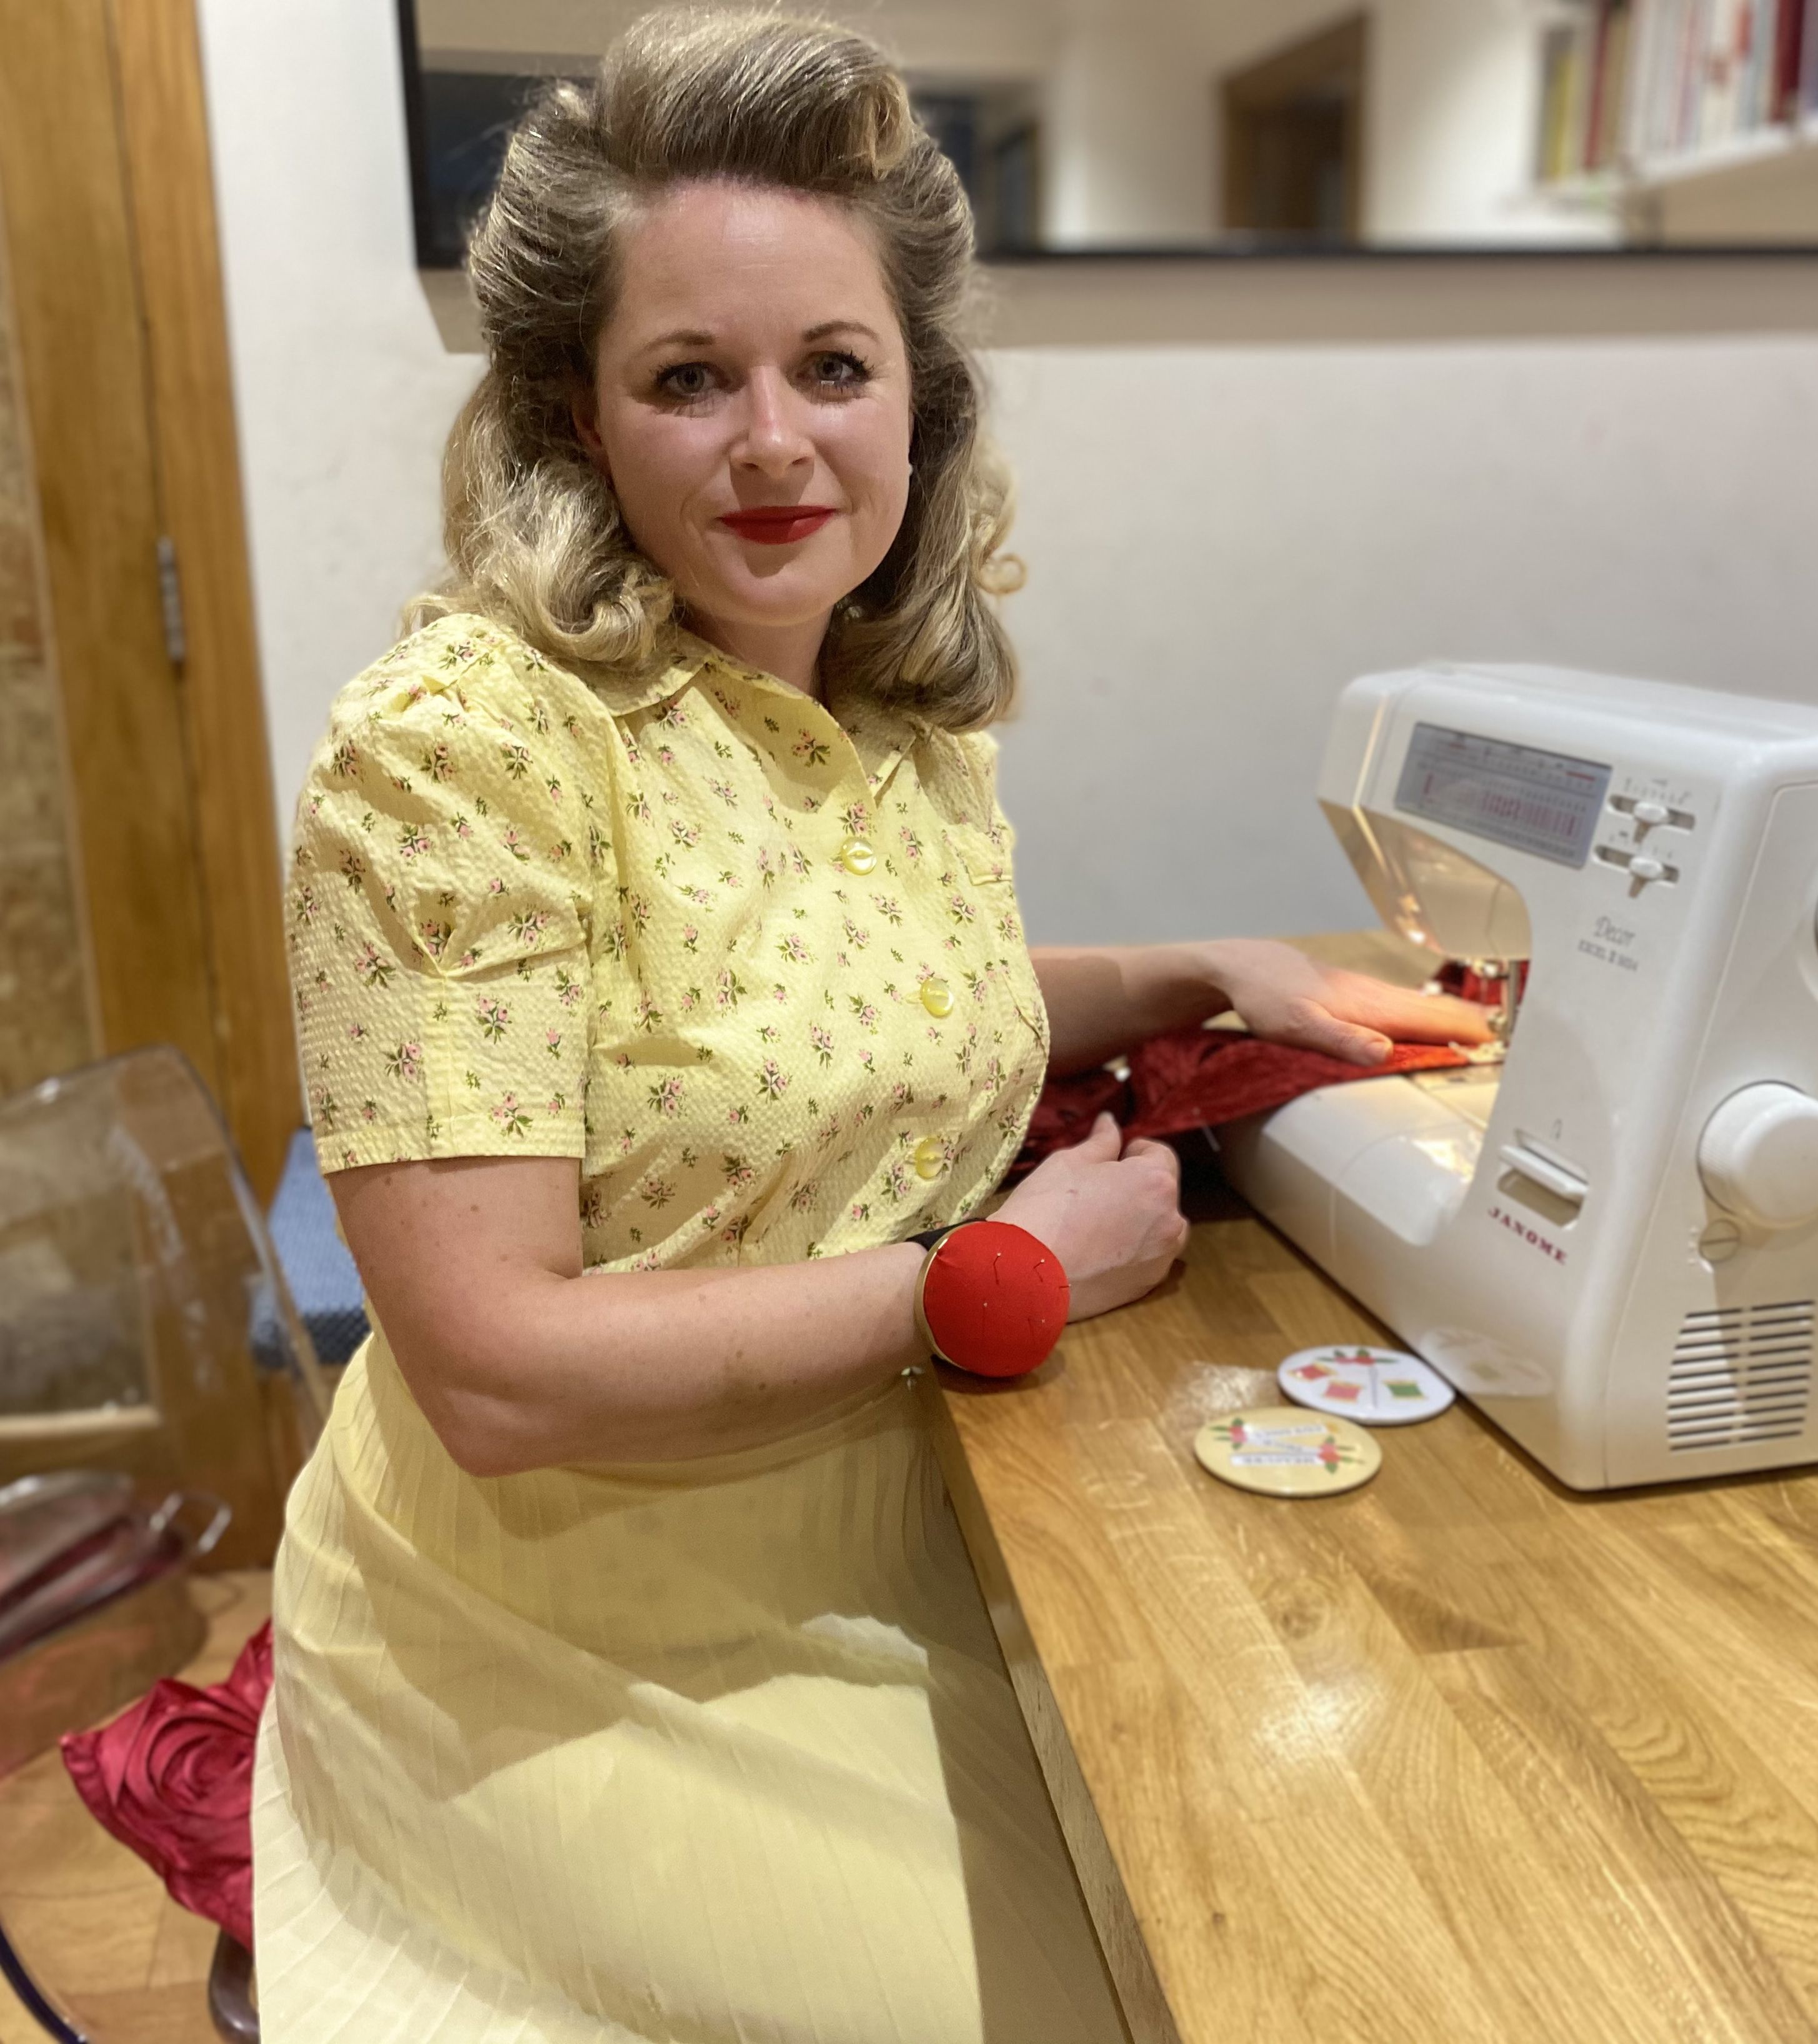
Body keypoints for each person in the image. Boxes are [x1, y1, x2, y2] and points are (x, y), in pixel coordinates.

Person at [252, 10, 1487, 2040]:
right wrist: (997, 1279)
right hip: (580, 1627)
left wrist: (1191, 970)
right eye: (688, 377)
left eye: (832, 367)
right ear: (577, 419)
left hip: (937, 1519)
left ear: (921, 402)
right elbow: (492, 1367)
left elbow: (856, 1022)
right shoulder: (458, 749)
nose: (772, 442)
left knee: (1361, 1864)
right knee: (1192, 1984)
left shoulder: (897, 720)